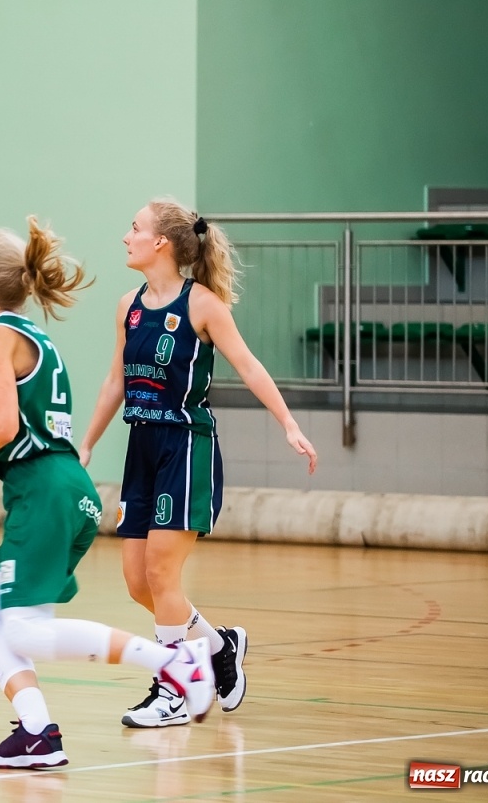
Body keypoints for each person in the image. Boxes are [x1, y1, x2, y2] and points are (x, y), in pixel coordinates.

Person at [0, 219, 216, 769]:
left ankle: (174, 664)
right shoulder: (34, 336)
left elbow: (2, 426)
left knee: (23, 627)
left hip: (48, 495)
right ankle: (37, 732)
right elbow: (22, 439)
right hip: (59, 487)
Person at [78, 198, 317, 728]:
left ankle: (174, 691)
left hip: (185, 445)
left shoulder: (203, 304)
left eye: (134, 228)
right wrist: (88, 443)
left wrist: (290, 424)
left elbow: (250, 366)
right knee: (139, 583)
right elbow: (115, 381)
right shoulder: (128, 306)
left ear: (160, 242)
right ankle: (218, 646)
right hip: (140, 447)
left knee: (163, 573)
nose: (126, 236)